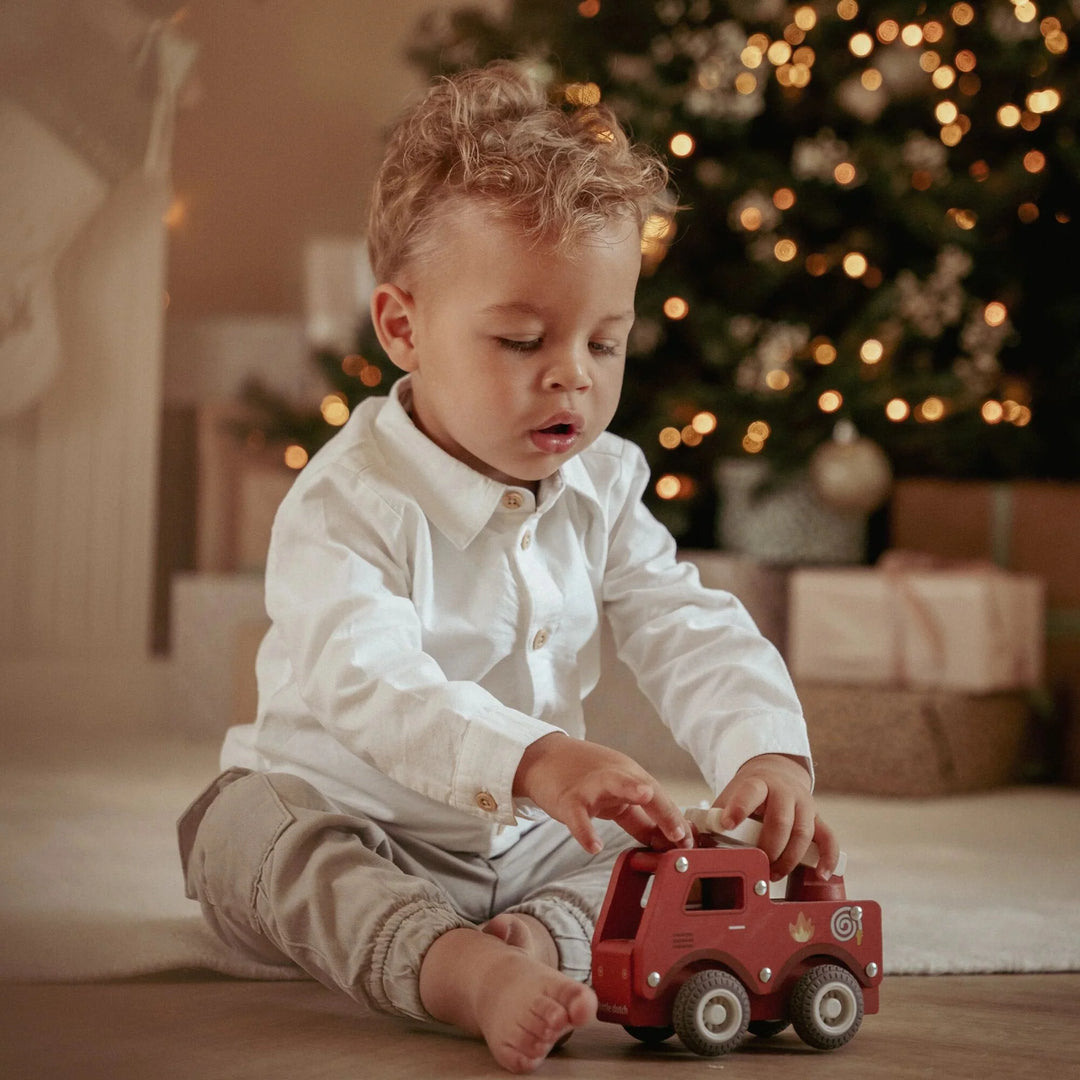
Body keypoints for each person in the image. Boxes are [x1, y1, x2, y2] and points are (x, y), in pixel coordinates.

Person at [178, 60, 839, 1074]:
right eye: (523, 338)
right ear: (404, 327)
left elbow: (681, 619)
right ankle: (458, 970)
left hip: (523, 849)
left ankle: (532, 944)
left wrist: (765, 750)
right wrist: (531, 758)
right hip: (349, 814)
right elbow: (369, 679)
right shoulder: (349, 500)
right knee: (244, 830)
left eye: (605, 343)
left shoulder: (605, 483)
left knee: (680, 852)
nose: (571, 371)